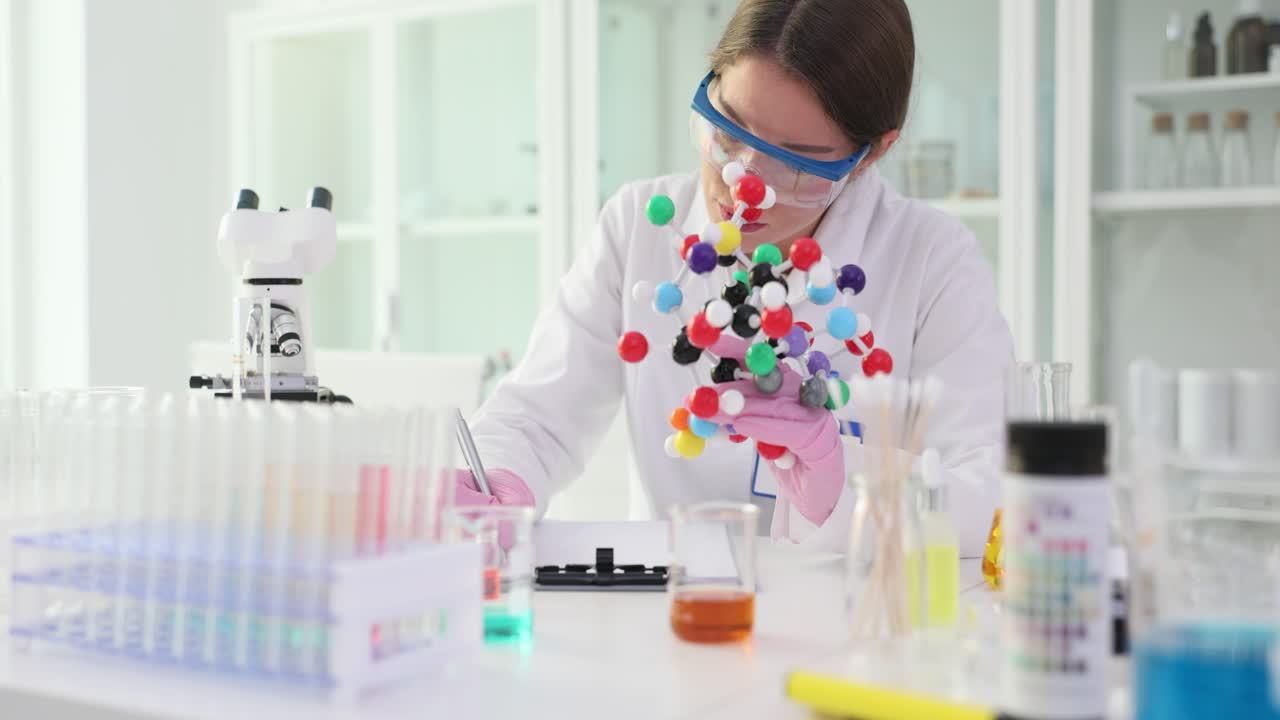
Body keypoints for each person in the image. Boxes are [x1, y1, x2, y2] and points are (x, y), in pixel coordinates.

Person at [454, 0, 1013, 555]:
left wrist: (845, 481)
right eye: (726, 132)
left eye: (795, 163)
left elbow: (992, 491)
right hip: (670, 612)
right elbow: (537, 417)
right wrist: (499, 482)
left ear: (870, 155)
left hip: (851, 624)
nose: (740, 183)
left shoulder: (932, 261)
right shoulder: (641, 226)